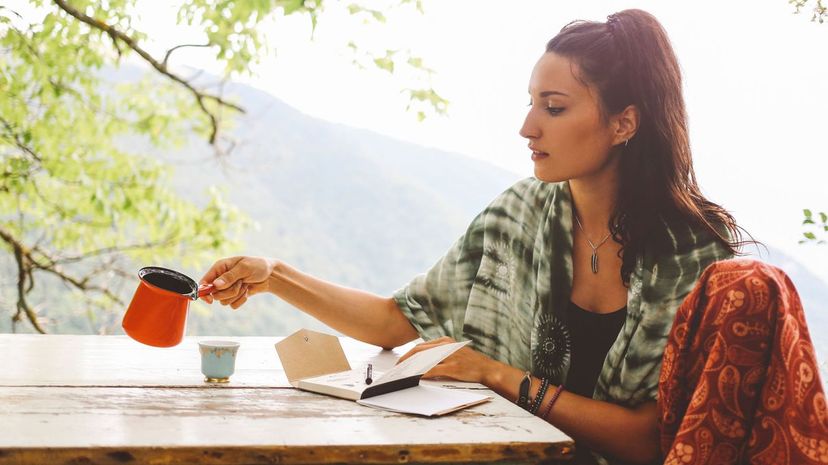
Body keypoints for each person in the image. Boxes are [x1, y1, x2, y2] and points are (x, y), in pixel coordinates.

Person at [199, 9, 827, 465]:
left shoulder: (692, 256)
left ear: (623, 123)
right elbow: (399, 319)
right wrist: (274, 274)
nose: (528, 126)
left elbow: (648, 440)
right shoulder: (519, 213)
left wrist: (494, 373)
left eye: (554, 108)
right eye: (530, 102)